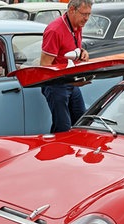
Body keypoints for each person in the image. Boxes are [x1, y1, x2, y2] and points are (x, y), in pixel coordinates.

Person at [40, 0, 92, 133]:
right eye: (84, 14)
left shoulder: (76, 25)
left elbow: (74, 50)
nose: (86, 19)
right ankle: (57, 152)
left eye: (89, 14)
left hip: (70, 82)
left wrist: (82, 53)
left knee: (83, 123)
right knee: (62, 128)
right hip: (55, 84)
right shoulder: (55, 30)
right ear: (71, 10)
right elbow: (45, 67)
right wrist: (72, 81)